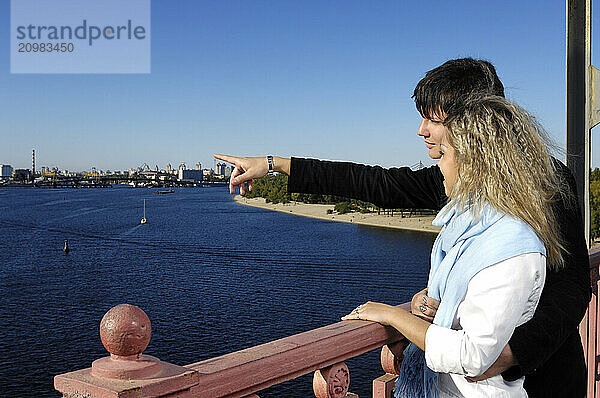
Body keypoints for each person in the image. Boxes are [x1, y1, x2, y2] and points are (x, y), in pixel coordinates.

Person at [214, 58, 590, 397]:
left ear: (472, 124)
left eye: (432, 118)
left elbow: (571, 288)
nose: (420, 129)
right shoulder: (457, 183)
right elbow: (374, 183)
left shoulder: (547, 181)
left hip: (545, 381)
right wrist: (274, 163)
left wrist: (510, 356)